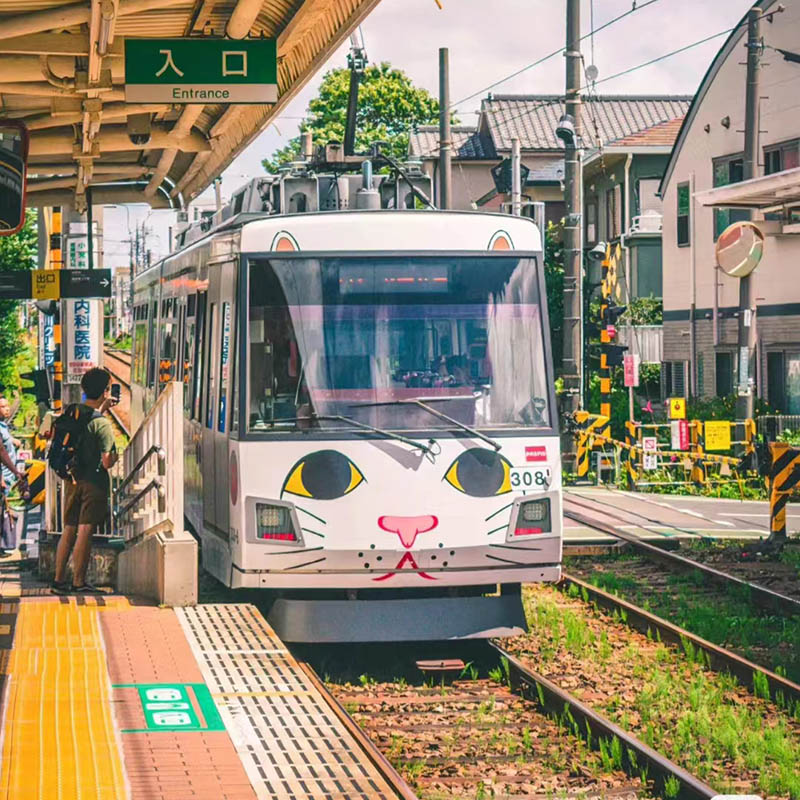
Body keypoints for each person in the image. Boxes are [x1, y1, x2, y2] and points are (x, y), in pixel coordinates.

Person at [51, 368, 118, 594]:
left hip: (71, 480)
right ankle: (78, 582)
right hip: (93, 482)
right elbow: (107, 462)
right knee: (85, 530)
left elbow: (84, 424)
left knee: (68, 530)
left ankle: (58, 580)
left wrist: (101, 410)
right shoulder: (102, 424)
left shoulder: (72, 411)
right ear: (105, 391)